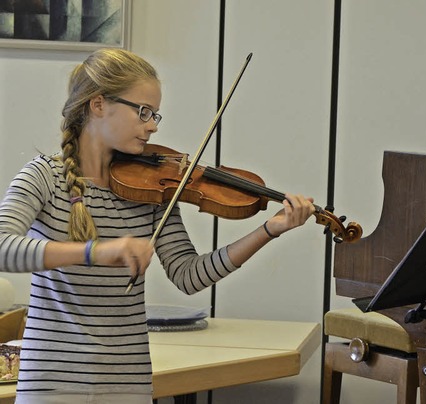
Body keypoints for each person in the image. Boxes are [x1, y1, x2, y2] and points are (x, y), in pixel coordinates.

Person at [0, 48, 316, 404]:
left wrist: (269, 230)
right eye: (143, 112)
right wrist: (95, 251)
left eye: (155, 115)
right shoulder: (44, 176)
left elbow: (189, 275)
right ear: (98, 104)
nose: (152, 125)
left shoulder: (150, 187)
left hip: (128, 379)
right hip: (53, 381)